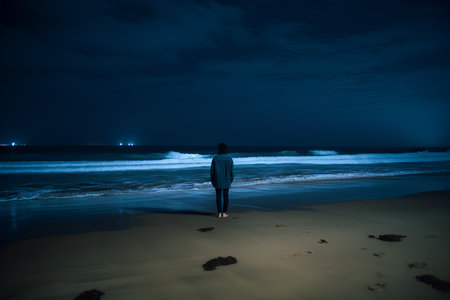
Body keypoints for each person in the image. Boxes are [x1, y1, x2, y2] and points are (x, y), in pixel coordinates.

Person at [210, 142, 234, 218]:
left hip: (217, 180)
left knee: (218, 197)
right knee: (226, 196)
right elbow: (232, 172)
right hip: (227, 180)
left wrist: (212, 181)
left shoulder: (215, 158)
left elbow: (212, 172)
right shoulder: (229, 159)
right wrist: (231, 180)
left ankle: (219, 213)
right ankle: (224, 213)